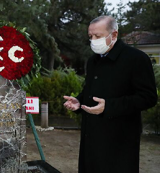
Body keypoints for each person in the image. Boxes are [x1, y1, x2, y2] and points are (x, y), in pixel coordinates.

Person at [63, 15, 157, 173]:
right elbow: (91, 90)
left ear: (114, 35)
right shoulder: (93, 60)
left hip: (119, 142)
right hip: (91, 138)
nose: (93, 40)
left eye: (97, 36)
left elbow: (148, 97)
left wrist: (109, 106)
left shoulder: (136, 59)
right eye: (90, 36)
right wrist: (79, 102)